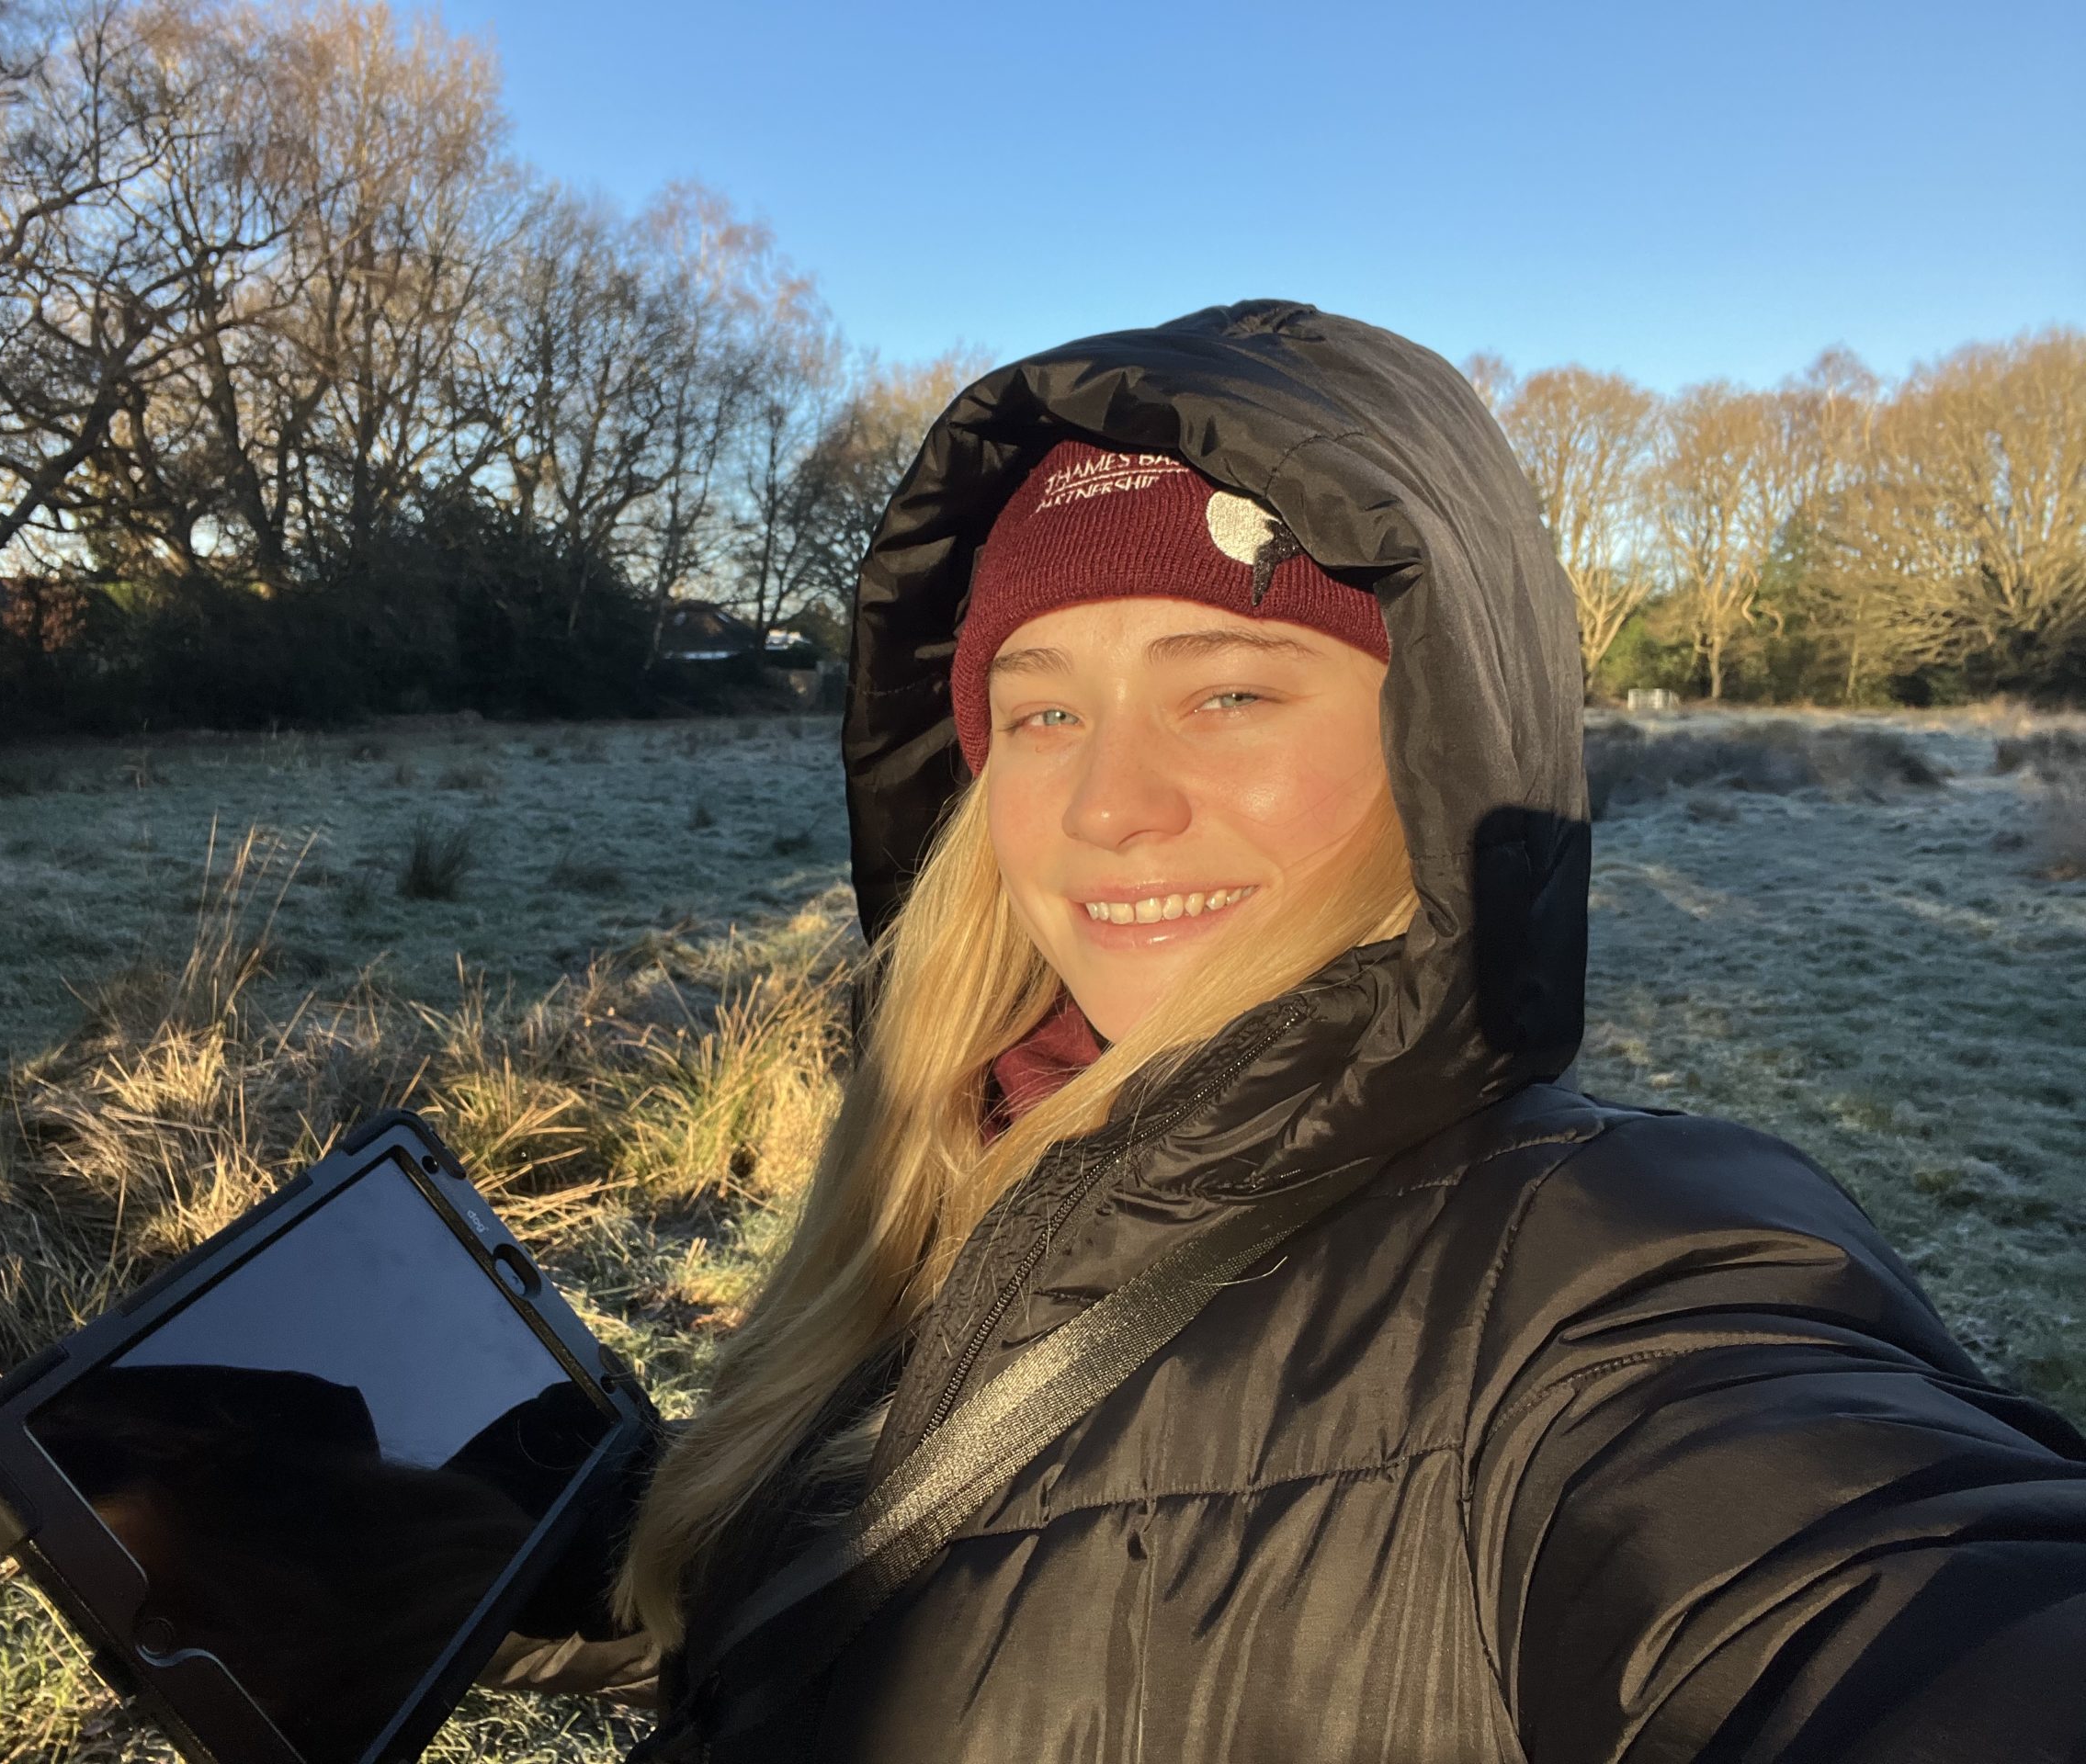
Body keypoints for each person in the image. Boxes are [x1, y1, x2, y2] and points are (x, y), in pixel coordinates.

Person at [484, 300, 2086, 1761]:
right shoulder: (977, 1160)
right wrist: (482, 1566)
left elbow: (1873, 1603)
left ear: (1438, 748)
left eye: (1230, 692)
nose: (1107, 807)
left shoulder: (1608, 1282)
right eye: (1042, 711)